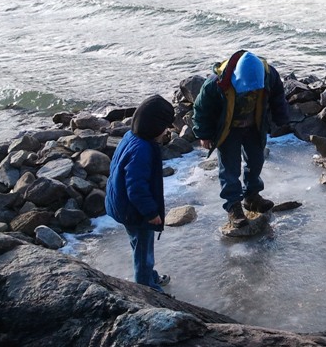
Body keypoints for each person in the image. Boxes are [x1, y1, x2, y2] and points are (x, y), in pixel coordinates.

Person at [192, 50, 291, 228]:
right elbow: (201, 109)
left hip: (254, 126)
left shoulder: (269, 74)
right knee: (229, 168)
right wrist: (203, 134)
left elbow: (278, 96)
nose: (252, 90)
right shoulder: (216, 83)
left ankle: (252, 197)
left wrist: (281, 118)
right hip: (228, 129)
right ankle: (233, 206)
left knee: (256, 161)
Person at [106, 94, 175, 293]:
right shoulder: (142, 150)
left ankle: (149, 275)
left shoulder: (131, 137)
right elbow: (136, 187)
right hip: (135, 210)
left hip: (123, 205)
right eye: (165, 127)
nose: (166, 132)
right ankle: (147, 289)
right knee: (144, 250)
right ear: (153, 126)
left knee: (139, 245)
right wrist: (151, 213)